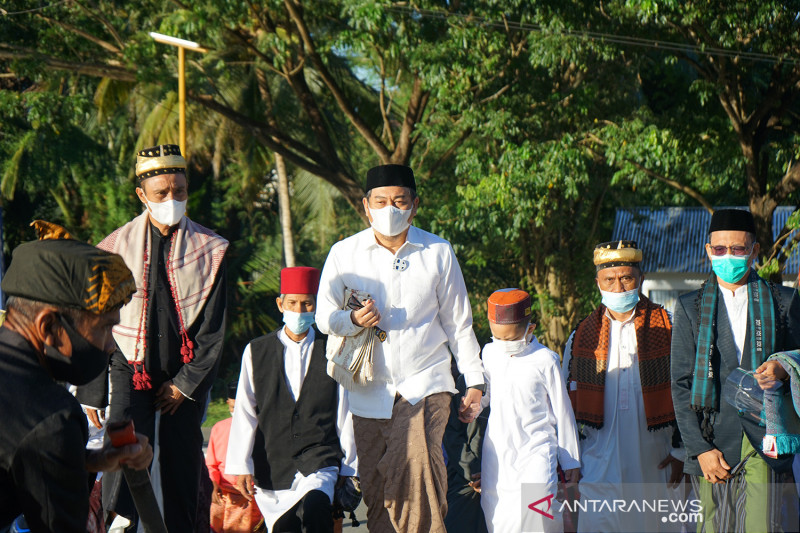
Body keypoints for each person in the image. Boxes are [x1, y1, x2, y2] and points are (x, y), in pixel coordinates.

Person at [316, 164, 485, 533]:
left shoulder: (438, 251)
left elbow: (459, 323)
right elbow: (324, 317)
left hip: (426, 383)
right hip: (368, 389)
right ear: (365, 205)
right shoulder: (344, 253)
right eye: (380, 201)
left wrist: (474, 381)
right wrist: (353, 321)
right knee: (379, 490)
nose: (389, 209)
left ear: (414, 204)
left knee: (417, 469)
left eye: (398, 201)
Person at [79, 144, 229, 531]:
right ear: (141, 195)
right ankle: (115, 524)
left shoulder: (210, 250)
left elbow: (213, 330)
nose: (171, 200)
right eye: (161, 193)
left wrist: (184, 385)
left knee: (181, 466)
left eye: (179, 191)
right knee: (122, 452)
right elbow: (97, 321)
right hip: (129, 368)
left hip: (184, 376)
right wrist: (93, 391)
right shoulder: (112, 250)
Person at [0, 227, 153, 531]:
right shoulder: (52, 416)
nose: (111, 345)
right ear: (49, 327)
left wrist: (86, 460)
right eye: (104, 328)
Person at [671, 209, 800, 532]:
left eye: (738, 249)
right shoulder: (690, 306)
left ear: (755, 251)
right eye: (720, 249)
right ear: (708, 251)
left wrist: (784, 368)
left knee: (762, 525)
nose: (728, 256)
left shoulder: (785, 301)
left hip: (767, 436)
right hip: (714, 439)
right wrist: (700, 450)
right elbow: (681, 384)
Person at [562, 240, 684, 532]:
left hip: (658, 462)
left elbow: (686, 392)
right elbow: (566, 402)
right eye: (609, 280)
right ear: (598, 283)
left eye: (626, 278)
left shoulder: (669, 327)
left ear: (640, 279)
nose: (618, 287)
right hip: (597, 463)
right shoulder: (581, 337)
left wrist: (682, 453)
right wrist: (570, 459)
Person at [226, 267, 357, 533]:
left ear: (316, 304)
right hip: (273, 468)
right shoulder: (256, 351)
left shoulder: (332, 348)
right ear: (280, 304)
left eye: (307, 303)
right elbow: (245, 412)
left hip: (320, 460)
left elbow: (346, 411)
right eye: (292, 303)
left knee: (316, 510)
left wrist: (350, 466)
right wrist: (242, 465)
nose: (299, 310)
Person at [479, 288, 580, 533]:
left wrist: (571, 462)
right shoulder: (489, 352)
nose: (504, 345)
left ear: (529, 329)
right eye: (498, 338)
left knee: (538, 515)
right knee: (500, 518)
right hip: (498, 453)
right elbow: (487, 394)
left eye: (511, 338)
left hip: (537, 450)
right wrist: (472, 404)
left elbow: (563, 412)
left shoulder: (545, 360)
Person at [206, 381, 263, 533]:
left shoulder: (261, 431)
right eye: (233, 408)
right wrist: (213, 484)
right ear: (228, 403)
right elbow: (211, 465)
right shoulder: (219, 428)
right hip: (222, 498)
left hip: (250, 500)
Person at [442, 367, 488, 533]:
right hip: (466, 477)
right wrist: (473, 471)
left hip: (508, 474)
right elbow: (452, 434)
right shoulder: (465, 382)